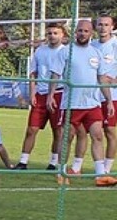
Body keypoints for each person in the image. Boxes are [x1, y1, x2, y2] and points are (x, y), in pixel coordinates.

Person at [47, 18, 117, 187]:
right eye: (80, 31)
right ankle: (62, 171)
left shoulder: (96, 53)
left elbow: (101, 79)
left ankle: (100, 175)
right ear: (75, 32)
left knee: (98, 136)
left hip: (92, 104)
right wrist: (50, 95)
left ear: (90, 33)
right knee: (67, 138)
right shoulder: (66, 52)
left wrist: (108, 100)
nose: (83, 34)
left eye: (86, 31)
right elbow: (55, 75)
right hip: (72, 104)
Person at [14, 22, 68, 170]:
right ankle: (23, 161)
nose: (52, 36)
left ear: (62, 35)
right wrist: (32, 92)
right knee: (32, 129)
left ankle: (53, 163)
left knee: (58, 130)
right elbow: (33, 73)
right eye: (49, 33)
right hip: (41, 94)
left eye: (55, 33)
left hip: (59, 94)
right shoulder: (39, 51)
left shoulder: (66, 52)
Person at [91, 15, 117, 174]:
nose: (103, 28)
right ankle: (78, 166)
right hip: (93, 96)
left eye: (106, 25)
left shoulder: (115, 45)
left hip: (112, 96)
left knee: (110, 131)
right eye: (100, 24)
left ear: (113, 27)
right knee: (94, 132)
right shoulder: (92, 45)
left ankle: (107, 168)